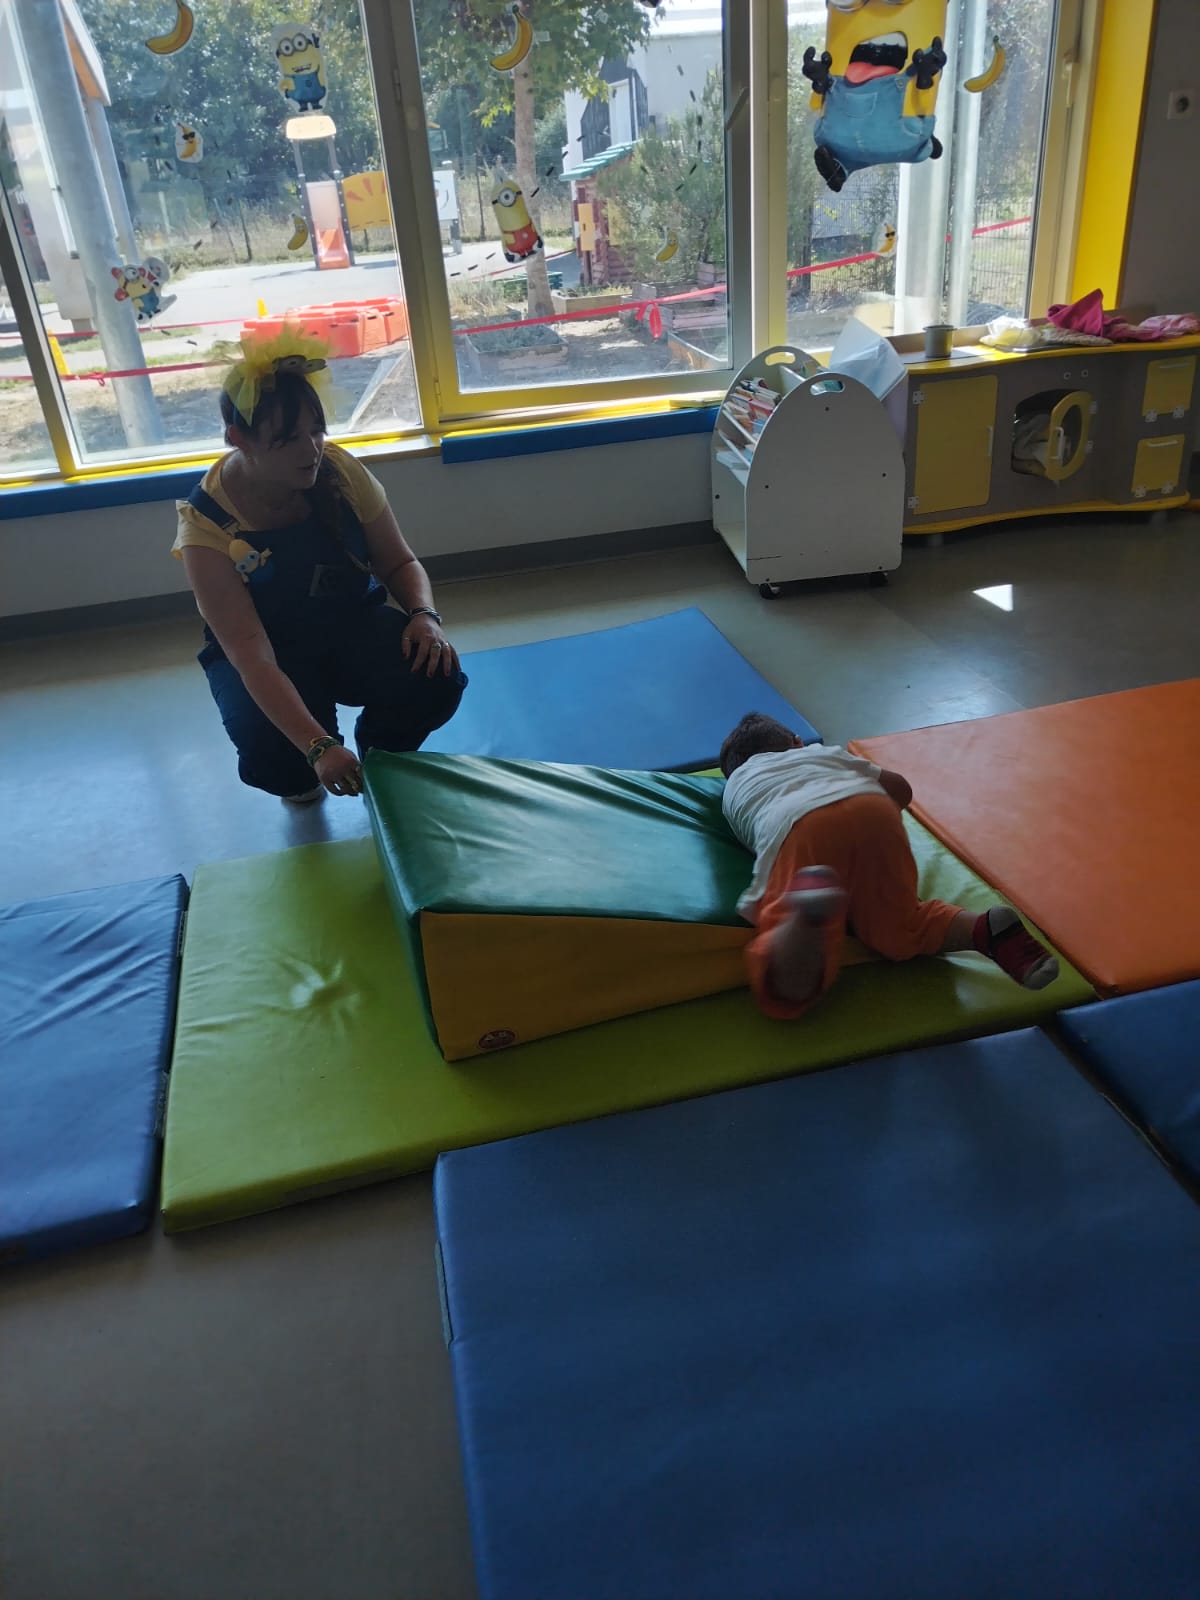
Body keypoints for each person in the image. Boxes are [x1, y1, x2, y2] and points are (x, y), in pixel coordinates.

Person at [173, 338, 465, 803]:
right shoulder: (205, 527)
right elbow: (252, 657)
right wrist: (318, 746)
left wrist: (424, 615)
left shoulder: (339, 471)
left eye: (316, 431)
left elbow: (399, 562)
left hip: (348, 625)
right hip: (269, 654)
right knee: (276, 754)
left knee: (436, 672)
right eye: (287, 439)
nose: (309, 450)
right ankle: (301, 771)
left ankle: (381, 752)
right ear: (239, 439)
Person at [719, 712, 1059, 1018]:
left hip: (800, 828)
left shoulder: (734, 788)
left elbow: (756, 839)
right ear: (797, 742)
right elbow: (901, 790)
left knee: (780, 976)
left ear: (732, 771)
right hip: (872, 808)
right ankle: (984, 929)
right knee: (900, 927)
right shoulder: (821, 754)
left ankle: (805, 919)